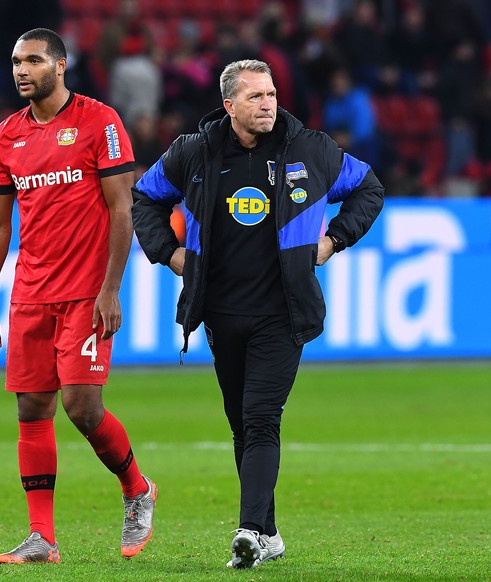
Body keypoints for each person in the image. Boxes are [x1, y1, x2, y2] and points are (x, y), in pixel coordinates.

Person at [131, 59, 383, 569]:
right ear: (229, 106)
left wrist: (334, 240)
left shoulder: (309, 148)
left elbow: (369, 188)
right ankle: (268, 533)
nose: (268, 104)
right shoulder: (195, 151)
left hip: (282, 312)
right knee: (241, 426)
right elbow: (144, 198)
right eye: (255, 97)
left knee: (262, 418)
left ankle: (247, 533)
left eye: (270, 94)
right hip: (221, 312)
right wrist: (173, 256)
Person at [0, 28, 157, 565]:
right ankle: (41, 539)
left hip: (86, 292)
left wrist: (111, 288)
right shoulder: (6, 136)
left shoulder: (99, 121)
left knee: (81, 405)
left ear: (60, 65)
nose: (21, 70)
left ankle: (136, 488)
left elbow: (122, 209)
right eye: (15, 62)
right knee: (32, 408)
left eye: (33, 60)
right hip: (31, 292)